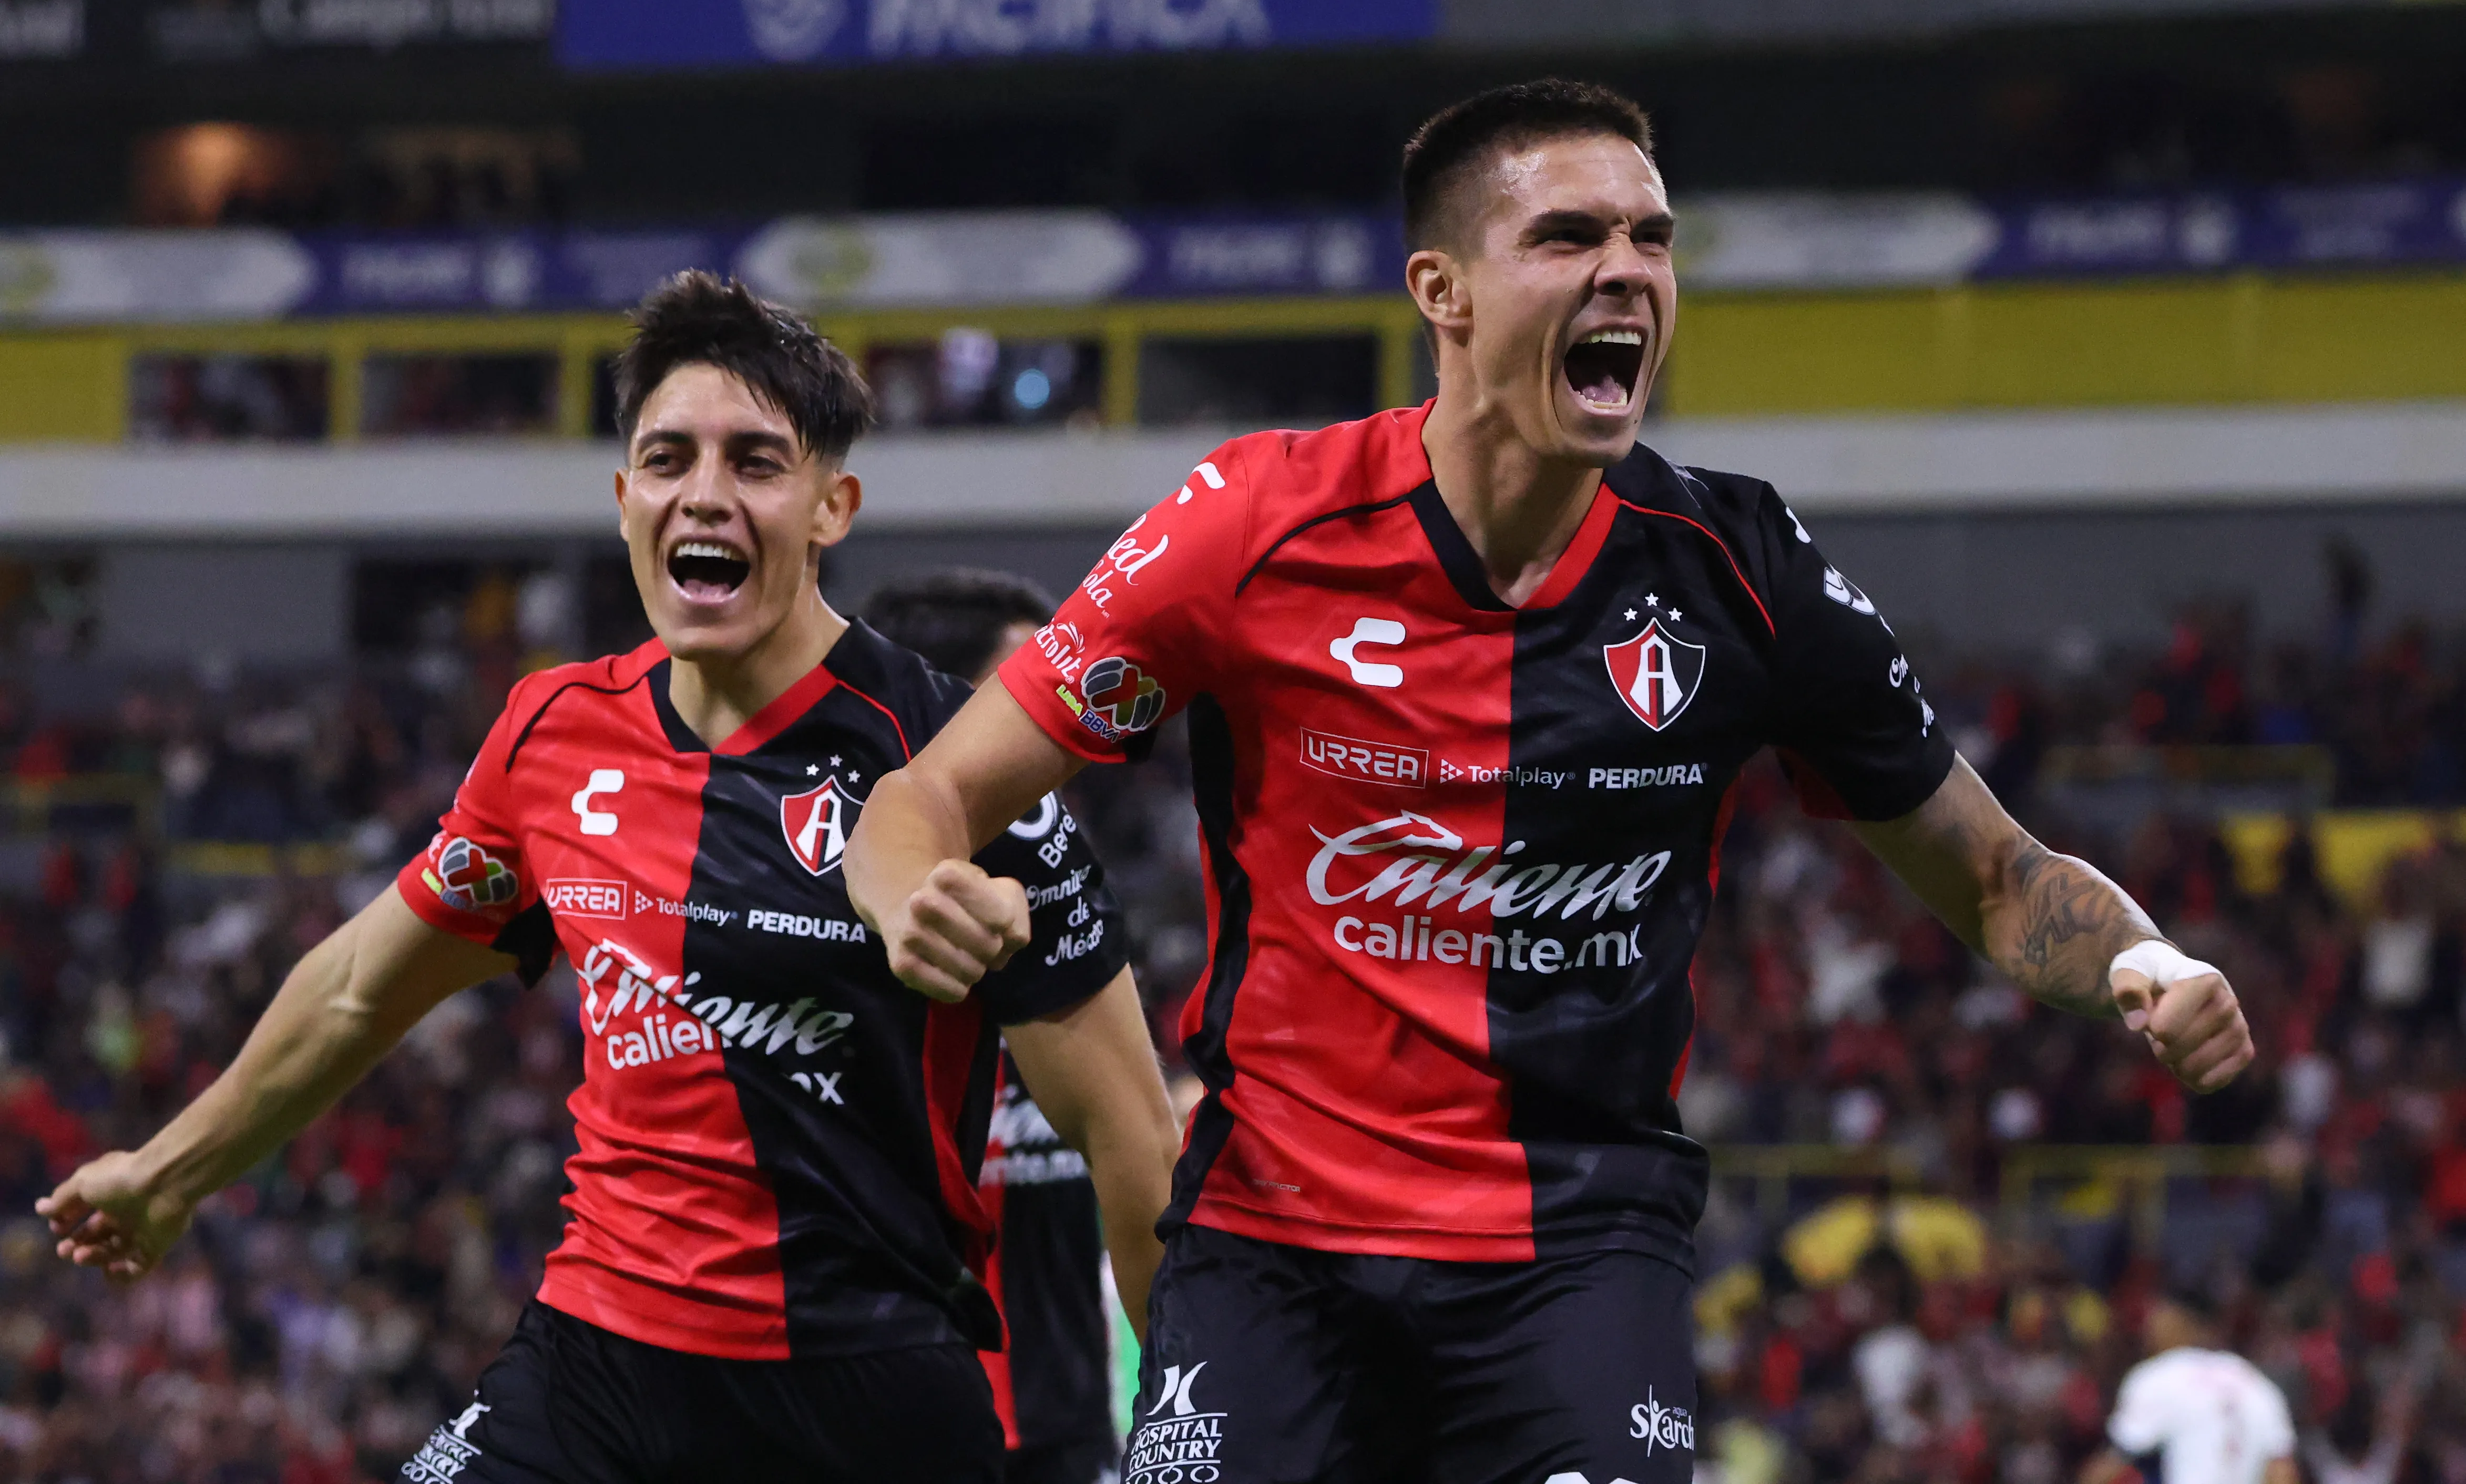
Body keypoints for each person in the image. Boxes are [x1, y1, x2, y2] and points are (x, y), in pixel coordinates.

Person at [842, 79, 2257, 1484]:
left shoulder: (1740, 571)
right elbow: (925, 796)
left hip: (1575, 1256)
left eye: (1651, 239)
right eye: (1571, 237)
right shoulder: (1254, 527)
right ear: (1442, 292)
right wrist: (910, 897)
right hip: (1276, 1247)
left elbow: (1998, 880)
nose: (1627, 273)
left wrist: (2138, 956)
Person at [39, 272, 1181, 1484]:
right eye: (669, 457)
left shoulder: (961, 760)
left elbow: (1133, 1137)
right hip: (593, 1366)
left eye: (755, 461)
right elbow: (359, 989)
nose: (705, 493)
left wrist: (1176, 1442)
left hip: (865, 1389)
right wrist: (168, 1173)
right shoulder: (553, 733)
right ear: (624, 494)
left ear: (830, 505)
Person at [864, 569, 1123, 1484]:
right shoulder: (842, 951)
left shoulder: (1072, 918)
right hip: (904, 1433)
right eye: (1022, 693)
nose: (1062, 725)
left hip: (1074, 1438)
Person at [2079, 1288, 2297, 1484]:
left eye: (2158, 1318)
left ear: (2179, 1322)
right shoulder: (2256, 1383)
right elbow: (2282, 1473)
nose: (2149, 1329)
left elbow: (2111, 1464)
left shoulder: (2160, 1376)